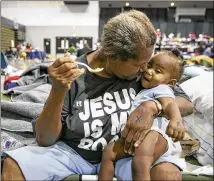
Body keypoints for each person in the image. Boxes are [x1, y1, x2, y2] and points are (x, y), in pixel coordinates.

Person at [1, 10, 193, 181]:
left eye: (147, 62)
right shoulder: (74, 75)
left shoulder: (145, 72)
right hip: (73, 154)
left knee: (167, 173)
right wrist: (58, 91)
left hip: (126, 154)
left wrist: (152, 107)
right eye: (139, 65)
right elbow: (45, 139)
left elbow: (186, 103)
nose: (145, 69)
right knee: (14, 165)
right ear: (111, 55)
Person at [98, 48, 186, 181]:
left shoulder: (162, 88)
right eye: (149, 65)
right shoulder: (143, 88)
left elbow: (170, 104)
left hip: (155, 134)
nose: (149, 71)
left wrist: (176, 120)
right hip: (136, 137)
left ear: (170, 82)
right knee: (109, 152)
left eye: (158, 71)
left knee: (140, 161)